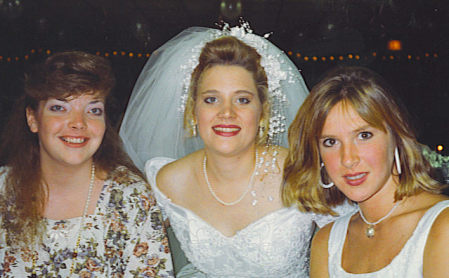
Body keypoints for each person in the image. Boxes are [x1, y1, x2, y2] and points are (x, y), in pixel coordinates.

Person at [120, 24, 354, 277]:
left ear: (262, 112)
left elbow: (354, 242)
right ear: (193, 110)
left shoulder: (299, 171)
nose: (226, 113)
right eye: (211, 99)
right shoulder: (167, 181)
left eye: (242, 99)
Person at [0, 51, 174, 277]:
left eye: (93, 110)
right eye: (59, 108)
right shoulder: (4, 191)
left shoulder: (131, 197)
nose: (78, 123)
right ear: (33, 119)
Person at [283, 66, 449, 277]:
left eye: (364, 136)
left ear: (396, 136)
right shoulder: (327, 242)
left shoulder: (442, 226)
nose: (348, 159)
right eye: (331, 142)